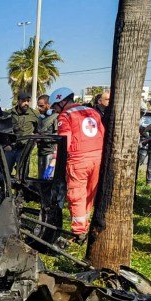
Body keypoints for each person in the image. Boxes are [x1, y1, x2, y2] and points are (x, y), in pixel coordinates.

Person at [51, 87, 105, 243]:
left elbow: (64, 141)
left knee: (76, 194)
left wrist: (56, 162)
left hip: (78, 159)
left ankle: (79, 232)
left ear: (62, 101)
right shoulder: (92, 112)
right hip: (97, 157)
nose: (55, 109)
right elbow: (102, 132)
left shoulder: (65, 116)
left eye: (55, 105)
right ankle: (85, 225)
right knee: (89, 193)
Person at [37, 94, 59, 179]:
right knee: (41, 179)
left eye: (41, 106)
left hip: (50, 153)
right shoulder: (41, 118)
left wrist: (43, 137)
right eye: (38, 106)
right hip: (41, 152)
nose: (39, 108)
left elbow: (58, 136)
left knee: (48, 179)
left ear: (48, 105)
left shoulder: (56, 117)